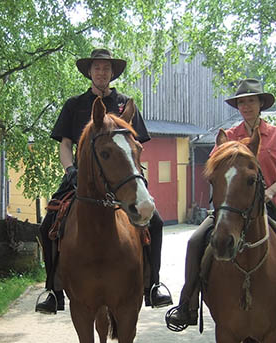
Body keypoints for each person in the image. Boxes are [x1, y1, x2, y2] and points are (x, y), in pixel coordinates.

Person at [165, 78, 276, 343]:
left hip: (271, 207)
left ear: (261, 104)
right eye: (241, 102)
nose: (246, 106)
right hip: (232, 209)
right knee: (195, 242)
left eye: (251, 101)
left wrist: (271, 191)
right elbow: (213, 171)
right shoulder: (228, 138)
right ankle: (186, 305)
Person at [35, 48, 173, 314]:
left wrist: (136, 173)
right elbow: (65, 144)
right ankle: (53, 290)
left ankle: (153, 285)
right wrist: (69, 170)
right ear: (90, 72)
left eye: (106, 69)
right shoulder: (74, 105)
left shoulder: (125, 104)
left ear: (112, 73)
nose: (101, 72)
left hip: (121, 178)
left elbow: (136, 144)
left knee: (154, 221)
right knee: (48, 223)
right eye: (97, 68)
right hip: (82, 179)